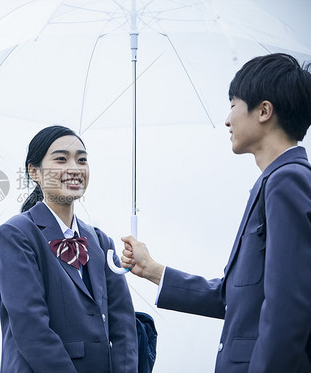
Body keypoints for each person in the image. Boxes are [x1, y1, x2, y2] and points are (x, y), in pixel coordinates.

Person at [121, 52, 311, 373]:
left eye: (233, 104)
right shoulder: (272, 182)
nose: (227, 119)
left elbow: (287, 308)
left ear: (264, 110)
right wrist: (152, 269)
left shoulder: (287, 180)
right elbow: (235, 298)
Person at [0, 125, 139, 372]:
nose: (74, 168)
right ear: (34, 172)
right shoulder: (17, 234)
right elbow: (32, 329)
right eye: (61, 159)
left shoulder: (101, 242)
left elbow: (124, 326)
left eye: (82, 160)